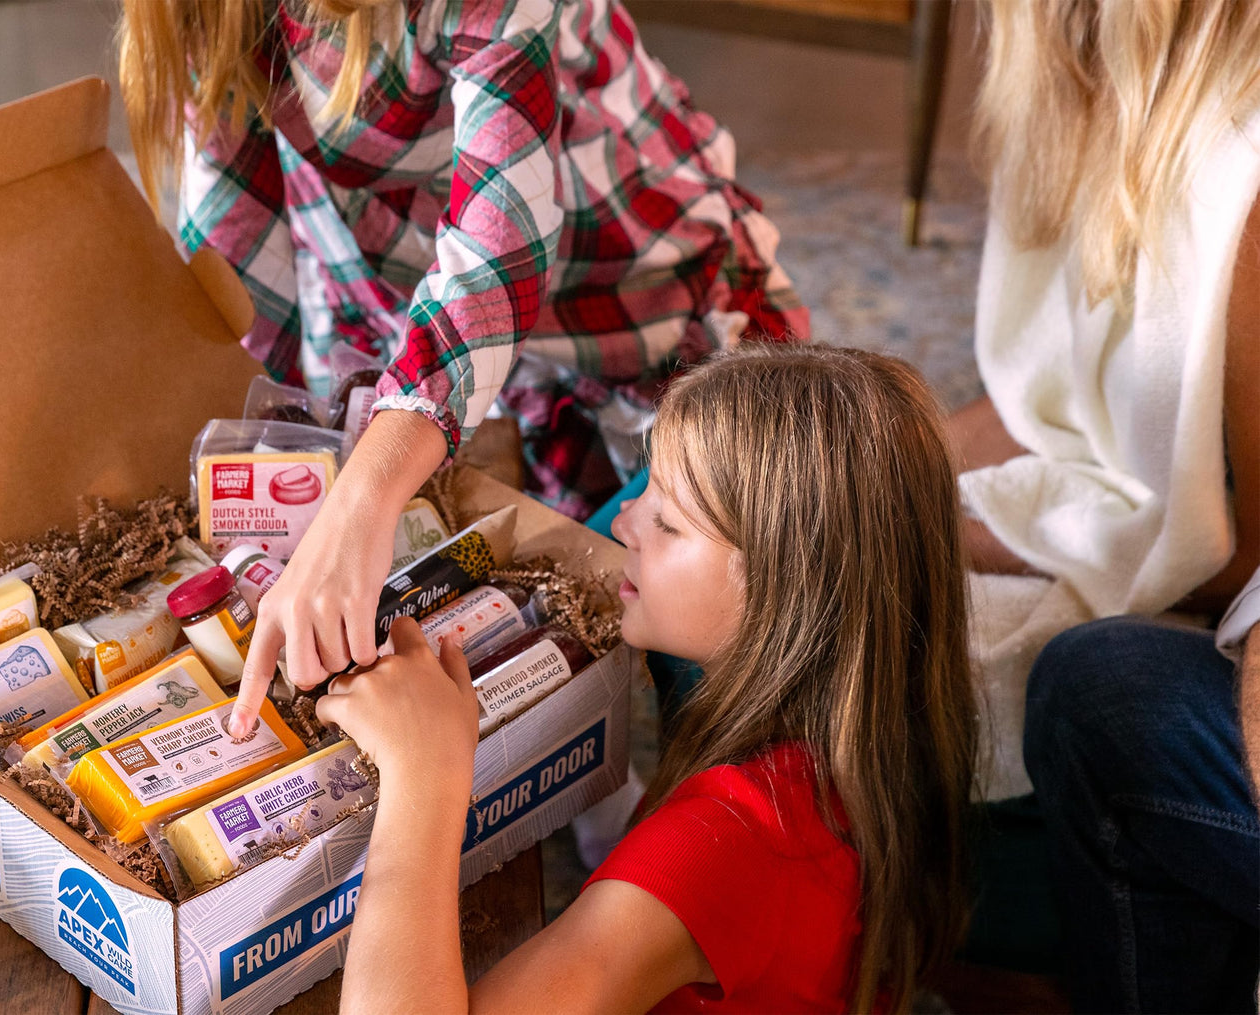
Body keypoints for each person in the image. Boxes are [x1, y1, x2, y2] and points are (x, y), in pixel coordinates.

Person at [118, 0, 809, 704]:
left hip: (618, 278)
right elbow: (233, 235)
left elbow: (494, 251)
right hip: (415, 297)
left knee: (694, 592)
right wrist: (243, 448)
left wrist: (360, 501)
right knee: (540, 610)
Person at [313, 343, 978, 1012]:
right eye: (643, 488)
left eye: (666, 520)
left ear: (781, 589)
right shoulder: (862, 723)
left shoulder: (727, 843)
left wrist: (424, 774)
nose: (624, 523)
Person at [950, 0, 1260, 1008]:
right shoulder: (1084, 101)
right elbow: (1053, 403)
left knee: (1092, 690)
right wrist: (869, 462)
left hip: (1212, 587)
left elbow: (1238, 565)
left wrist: (1004, 533)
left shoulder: (1241, 179)